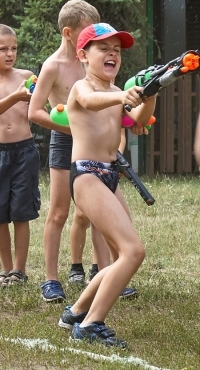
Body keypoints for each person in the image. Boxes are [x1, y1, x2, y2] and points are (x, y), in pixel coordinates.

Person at [57, 23, 152, 348]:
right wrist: (122, 97)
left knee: (118, 257)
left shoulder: (116, 94)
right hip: (87, 175)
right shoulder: (81, 88)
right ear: (83, 55)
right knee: (133, 252)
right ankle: (91, 325)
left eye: (117, 49)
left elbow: (138, 120)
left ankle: (76, 311)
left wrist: (147, 94)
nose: (113, 53)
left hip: (108, 177)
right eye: (104, 48)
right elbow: (91, 101)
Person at [28, 0, 107, 303]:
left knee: (98, 212)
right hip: (65, 141)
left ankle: (105, 274)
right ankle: (50, 279)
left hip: (95, 142)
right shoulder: (53, 66)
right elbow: (35, 112)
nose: (96, 40)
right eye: (89, 32)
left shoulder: (92, 60)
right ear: (68, 32)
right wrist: (70, 129)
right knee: (59, 212)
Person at [0, 24, 40, 287]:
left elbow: (40, 106)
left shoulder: (26, 76)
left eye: (14, 48)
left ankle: (19, 271)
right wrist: (16, 96)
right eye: (3, 49)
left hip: (24, 150)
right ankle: (5, 269)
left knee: (21, 212)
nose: (10, 53)